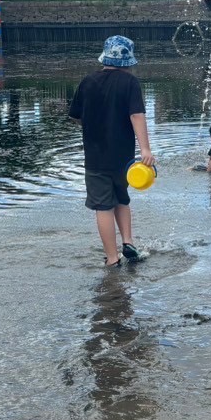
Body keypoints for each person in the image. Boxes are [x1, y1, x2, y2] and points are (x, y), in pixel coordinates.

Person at [68, 35, 156, 268]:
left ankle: (112, 257)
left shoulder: (87, 81)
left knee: (102, 206)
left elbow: (76, 117)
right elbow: (136, 115)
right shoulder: (130, 83)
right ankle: (128, 242)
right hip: (123, 158)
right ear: (128, 61)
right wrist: (145, 148)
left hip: (95, 157)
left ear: (105, 57)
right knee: (122, 199)